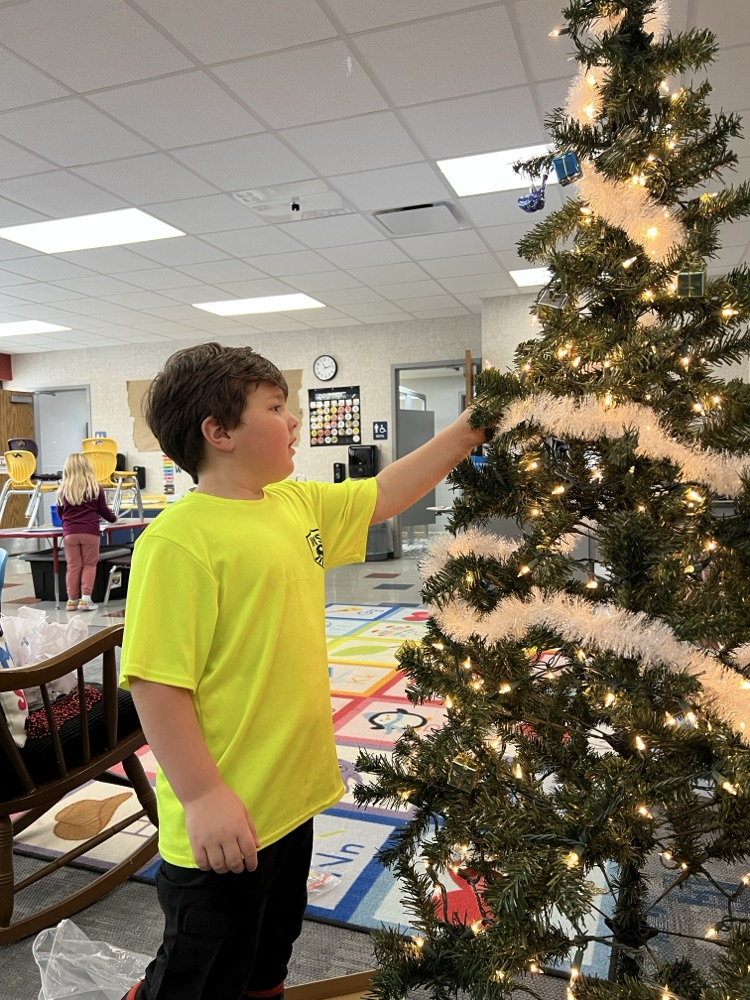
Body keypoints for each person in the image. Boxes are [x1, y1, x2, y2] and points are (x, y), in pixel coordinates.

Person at [120, 342, 489, 1000]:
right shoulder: (177, 540)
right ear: (220, 432)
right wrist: (204, 797)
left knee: (267, 962)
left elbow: (382, 494)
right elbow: (156, 682)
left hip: (293, 799)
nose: (292, 422)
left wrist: (466, 433)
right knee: (199, 976)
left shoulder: (293, 504)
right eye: (275, 407)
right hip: (226, 817)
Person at [56, 452, 118, 612]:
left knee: (73, 566)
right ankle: (86, 599)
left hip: (69, 533)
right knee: (89, 565)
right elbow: (103, 510)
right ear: (87, 468)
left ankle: (71, 601)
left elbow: (60, 513)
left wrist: (68, 523)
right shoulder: (95, 488)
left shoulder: (63, 489)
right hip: (90, 532)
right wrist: (113, 518)